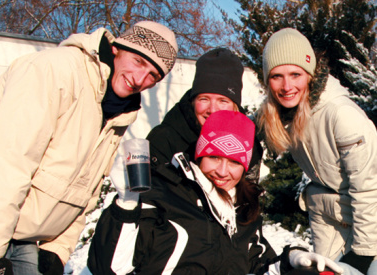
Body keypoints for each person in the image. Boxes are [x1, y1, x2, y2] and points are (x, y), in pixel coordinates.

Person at [0, 21, 178, 275]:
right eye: (139, 62)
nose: (140, 79)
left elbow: (87, 187)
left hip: (22, 234)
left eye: (154, 75)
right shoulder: (56, 71)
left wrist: (57, 248)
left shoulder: (119, 111)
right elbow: (10, 161)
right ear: (116, 50)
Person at [87, 110, 344, 275]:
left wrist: (291, 260)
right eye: (214, 157)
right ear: (199, 155)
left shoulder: (242, 211)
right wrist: (127, 204)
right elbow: (109, 268)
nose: (222, 171)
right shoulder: (164, 196)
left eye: (234, 162)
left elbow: (257, 267)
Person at [258, 27, 377, 274]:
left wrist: (364, 254)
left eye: (295, 74)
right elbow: (239, 131)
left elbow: (367, 188)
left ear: (310, 74)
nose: (287, 85)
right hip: (327, 216)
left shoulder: (340, 115)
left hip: (370, 219)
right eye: (277, 76)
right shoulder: (281, 115)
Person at [146, 47, 263, 185]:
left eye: (223, 101)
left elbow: (249, 194)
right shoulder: (164, 139)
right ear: (193, 101)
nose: (212, 109)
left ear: (234, 106)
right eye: (204, 99)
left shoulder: (248, 143)